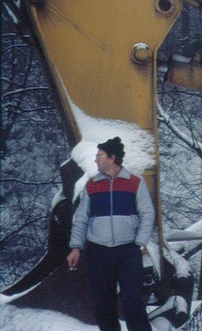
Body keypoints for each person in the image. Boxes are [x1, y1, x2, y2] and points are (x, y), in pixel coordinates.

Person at [66, 136, 155, 331]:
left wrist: (138, 241)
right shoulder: (92, 185)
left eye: (100, 156)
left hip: (128, 252)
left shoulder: (135, 183)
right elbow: (81, 218)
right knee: (104, 305)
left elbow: (147, 213)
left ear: (112, 158)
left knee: (133, 303)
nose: (96, 160)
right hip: (98, 253)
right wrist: (75, 247)